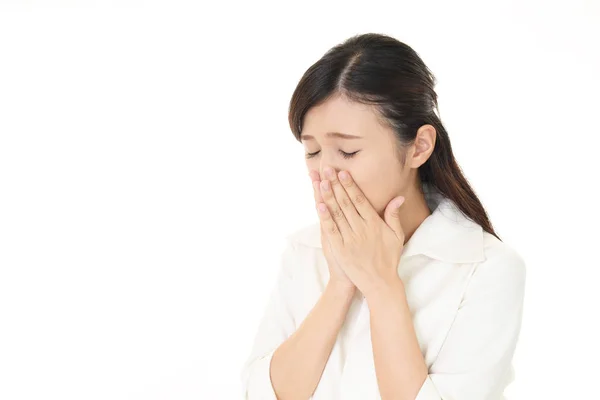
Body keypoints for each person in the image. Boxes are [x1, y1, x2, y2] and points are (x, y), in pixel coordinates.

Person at [240, 33, 526, 400]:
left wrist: (381, 285)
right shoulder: (305, 250)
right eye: (312, 152)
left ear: (419, 147)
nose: (324, 173)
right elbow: (259, 393)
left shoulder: (487, 270)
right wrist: (341, 283)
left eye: (347, 151)